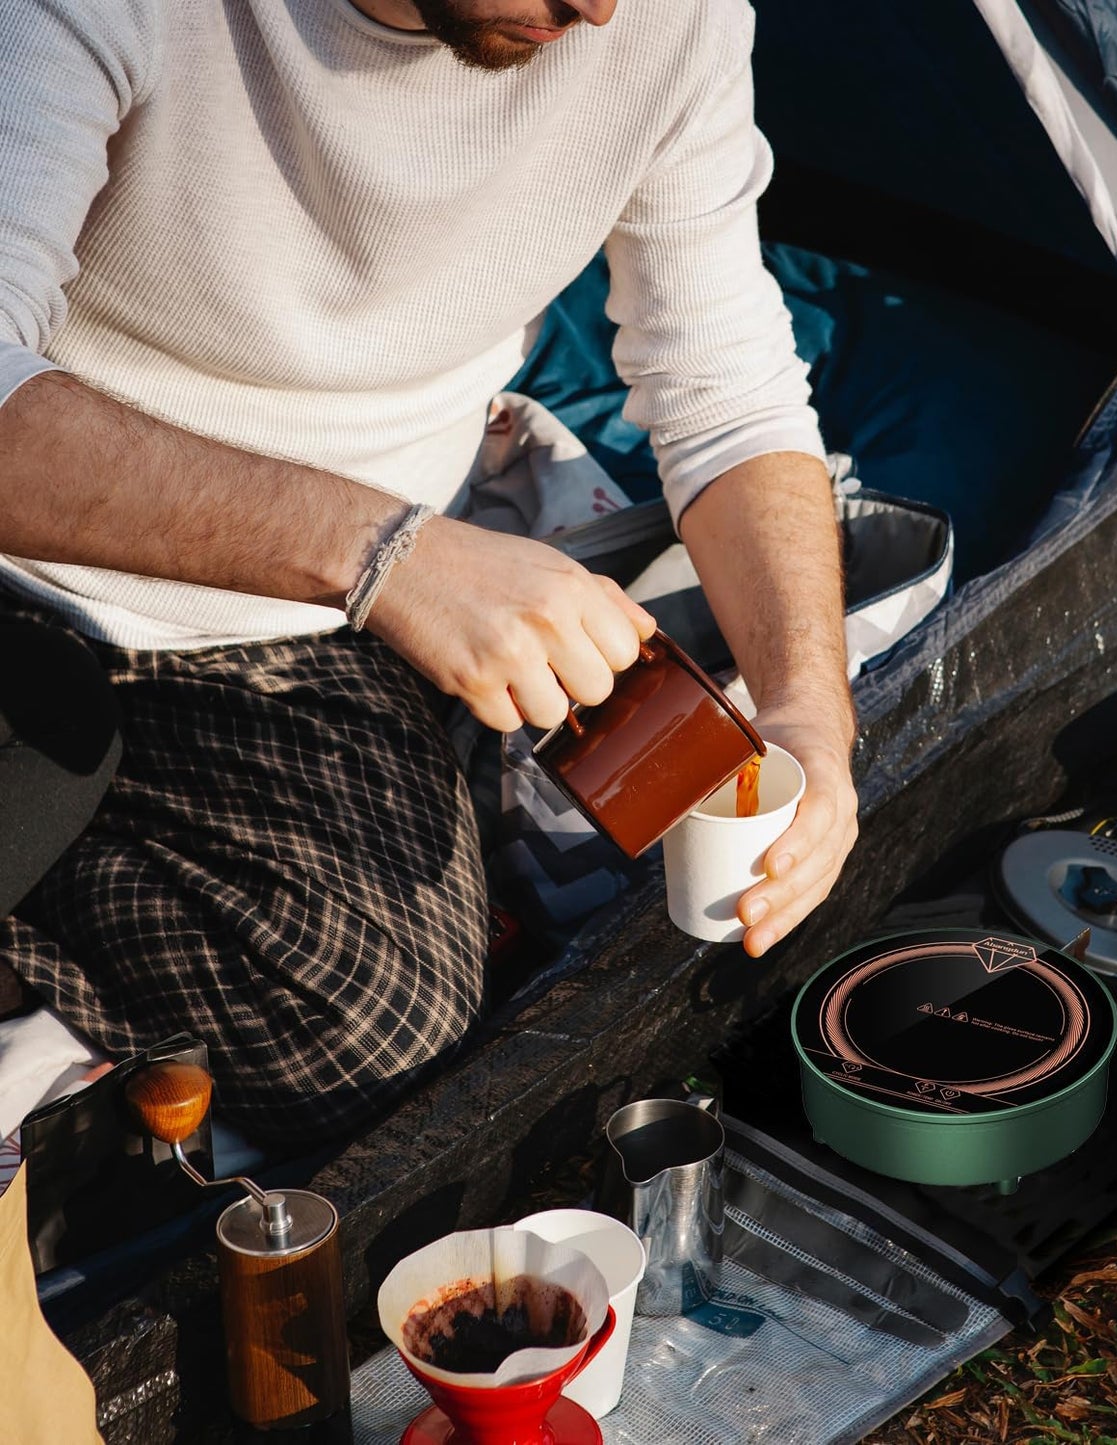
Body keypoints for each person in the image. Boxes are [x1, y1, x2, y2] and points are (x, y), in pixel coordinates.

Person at [0, 0, 859, 1146]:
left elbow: (726, 384)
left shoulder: (670, 16)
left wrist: (810, 707)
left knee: (381, 1031)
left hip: (299, 621)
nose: (600, 9)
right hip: (44, 555)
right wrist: (382, 554)